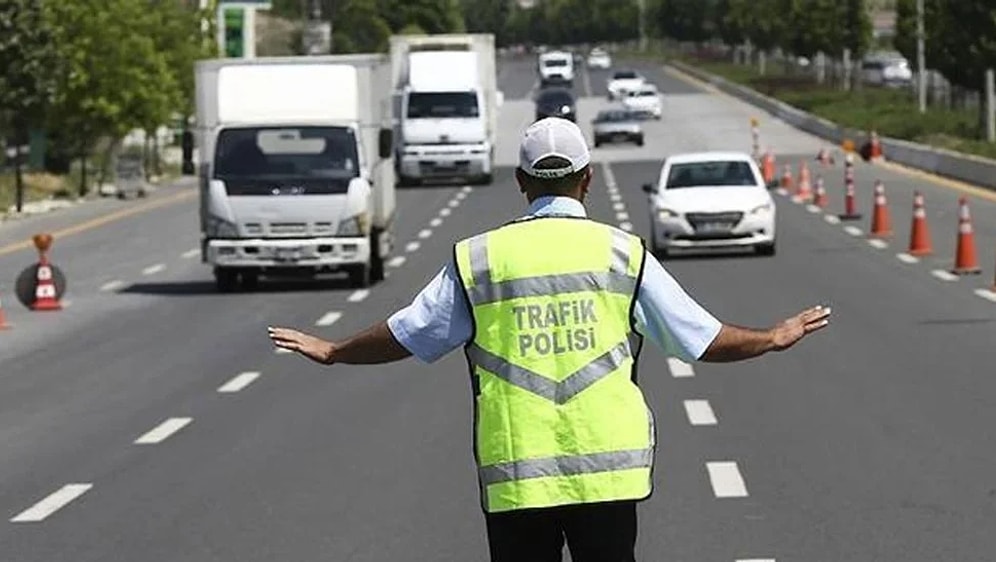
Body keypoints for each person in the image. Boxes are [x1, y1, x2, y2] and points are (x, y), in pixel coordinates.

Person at [268, 118, 831, 562]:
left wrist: (334, 351)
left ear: (521, 184)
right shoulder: (622, 253)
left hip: (518, 474)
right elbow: (700, 339)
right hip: (608, 475)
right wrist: (772, 337)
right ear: (587, 180)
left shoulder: (480, 259)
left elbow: (410, 333)